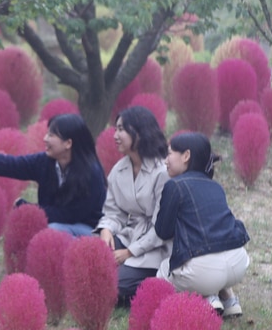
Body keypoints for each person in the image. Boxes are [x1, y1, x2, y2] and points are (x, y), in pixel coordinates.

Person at [0, 113, 106, 235]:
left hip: (88, 232)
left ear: (68, 143)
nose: (45, 139)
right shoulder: (46, 162)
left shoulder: (91, 174)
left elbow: (70, 214)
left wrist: (28, 209)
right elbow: (8, 164)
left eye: (51, 135)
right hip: (56, 226)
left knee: (51, 232)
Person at [154, 132, 251, 316]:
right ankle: (229, 299)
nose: (165, 160)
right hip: (238, 263)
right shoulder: (216, 186)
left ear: (186, 155)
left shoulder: (174, 185)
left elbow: (163, 231)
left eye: (169, 153)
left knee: (164, 271)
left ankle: (207, 298)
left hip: (204, 272)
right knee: (209, 264)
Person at [95, 105, 170, 306]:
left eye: (122, 129)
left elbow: (162, 227)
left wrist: (129, 252)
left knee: (113, 286)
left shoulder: (162, 171)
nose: (115, 135)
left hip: (158, 245)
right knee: (92, 256)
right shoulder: (119, 170)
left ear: (140, 132)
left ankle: (157, 283)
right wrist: (106, 230)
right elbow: (113, 211)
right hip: (130, 235)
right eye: (115, 129)